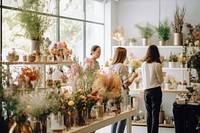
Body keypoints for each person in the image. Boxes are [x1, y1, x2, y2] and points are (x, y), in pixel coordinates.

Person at [110, 47, 138, 133]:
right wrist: (134, 76)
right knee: (123, 117)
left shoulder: (111, 66)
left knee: (115, 117)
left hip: (113, 94)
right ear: (123, 56)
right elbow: (126, 83)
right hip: (122, 94)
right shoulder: (122, 66)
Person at [141, 45, 164, 133]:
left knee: (149, 114)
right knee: (155, 114)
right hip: (155, 91)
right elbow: (161, 80)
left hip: (146, 91)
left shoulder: (143, 64)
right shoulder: (157, 65)